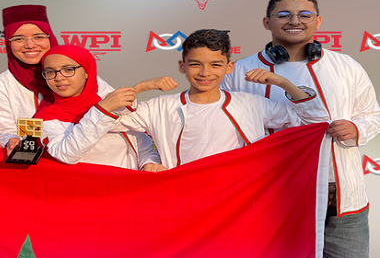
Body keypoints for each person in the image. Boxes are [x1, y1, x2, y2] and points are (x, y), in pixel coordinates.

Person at [222, 0, 380, 258]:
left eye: (305, 14)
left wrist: (356, 128)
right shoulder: (240, 72)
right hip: (272, 199)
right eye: (284, 15)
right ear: (267, 22)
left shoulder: (345, 66)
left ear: (318, 22)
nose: (295, 20)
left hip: (340, 194)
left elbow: (372, 114)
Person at [110, 29, 328, 170]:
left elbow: (315, 120)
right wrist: (139, 88)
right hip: (183, 197)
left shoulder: (250, 104)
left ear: (229, 67)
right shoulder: (160, 106)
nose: (205, 73)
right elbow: (107, 121)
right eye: (196, 64)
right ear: (182, 66)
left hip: (237, 201)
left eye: (215, 65)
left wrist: (283, 82)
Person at [0, 4, 114, 151]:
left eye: (38, 37)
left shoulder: (78, 73)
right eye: (19, 39)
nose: (30, 45)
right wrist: (11, 140)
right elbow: (4, 130)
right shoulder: (1, 86)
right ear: (8, 43)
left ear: (50, 38)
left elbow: (111, 109)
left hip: (88, 155)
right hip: (32, 158)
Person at [33, 44, 161, 170]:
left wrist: (149, 162)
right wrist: (103, 110)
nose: (59, 78)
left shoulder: (111, 102)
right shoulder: (46, 117)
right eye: (50, 72)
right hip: (82, 183)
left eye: (68, 70)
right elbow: (66, 154)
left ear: (87, 72)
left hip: (126, 182)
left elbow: (141, 144)